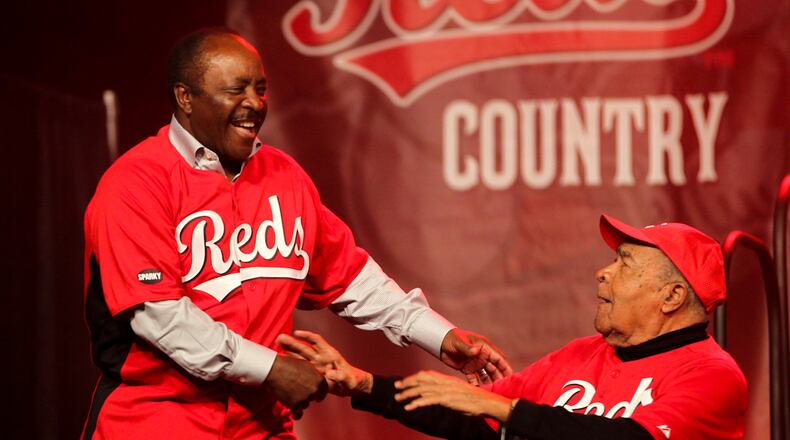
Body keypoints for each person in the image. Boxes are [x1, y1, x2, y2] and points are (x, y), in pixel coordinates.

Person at [81, 28, 511, 439]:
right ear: (185, 98)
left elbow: (354, 278)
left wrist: (440, 337)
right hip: (154, 424)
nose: (254, 103)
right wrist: (271, 368)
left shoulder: (284, 177)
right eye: (236, 90)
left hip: (263, 426)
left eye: (260, 89)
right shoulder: (136, 183)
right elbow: (161, 318)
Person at [279, 214, 749, 439]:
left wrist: (507, 409)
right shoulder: (581, 354)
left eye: (625, 264)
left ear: (671, 296)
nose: (603, 272)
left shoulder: (711, 374)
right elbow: (475, 417)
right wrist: (361, 384)